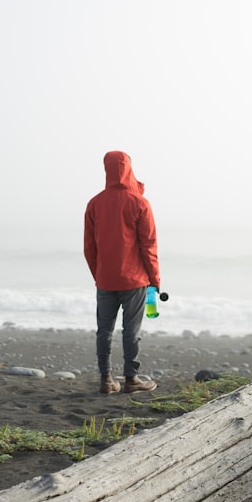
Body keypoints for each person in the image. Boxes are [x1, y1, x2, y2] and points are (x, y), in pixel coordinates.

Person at [84, 150, 160, 394]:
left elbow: (89, 248)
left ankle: (106, 379)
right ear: (129, 168)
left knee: (104, 330)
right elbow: (148, 245)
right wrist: (155, 279)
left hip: (106, 279)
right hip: (134, 280)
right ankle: (131, 379)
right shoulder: (139, 203)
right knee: (131, 331)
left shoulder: (95, 203)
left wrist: (99, 274)